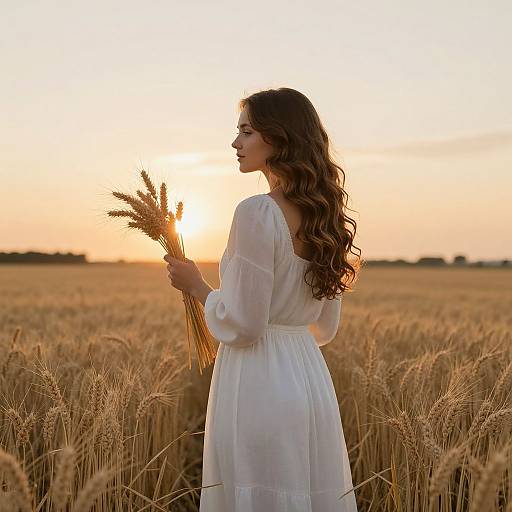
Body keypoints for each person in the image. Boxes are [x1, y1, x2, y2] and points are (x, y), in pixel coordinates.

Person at [164, 87, 361, 512]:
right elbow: (323, 329)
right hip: (309, 379)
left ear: (277, 137)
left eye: (246, 131)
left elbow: (247, 327)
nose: (236, 143)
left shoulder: (256, 212)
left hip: (258, 383)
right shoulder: (324, 217)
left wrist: (196, 285)